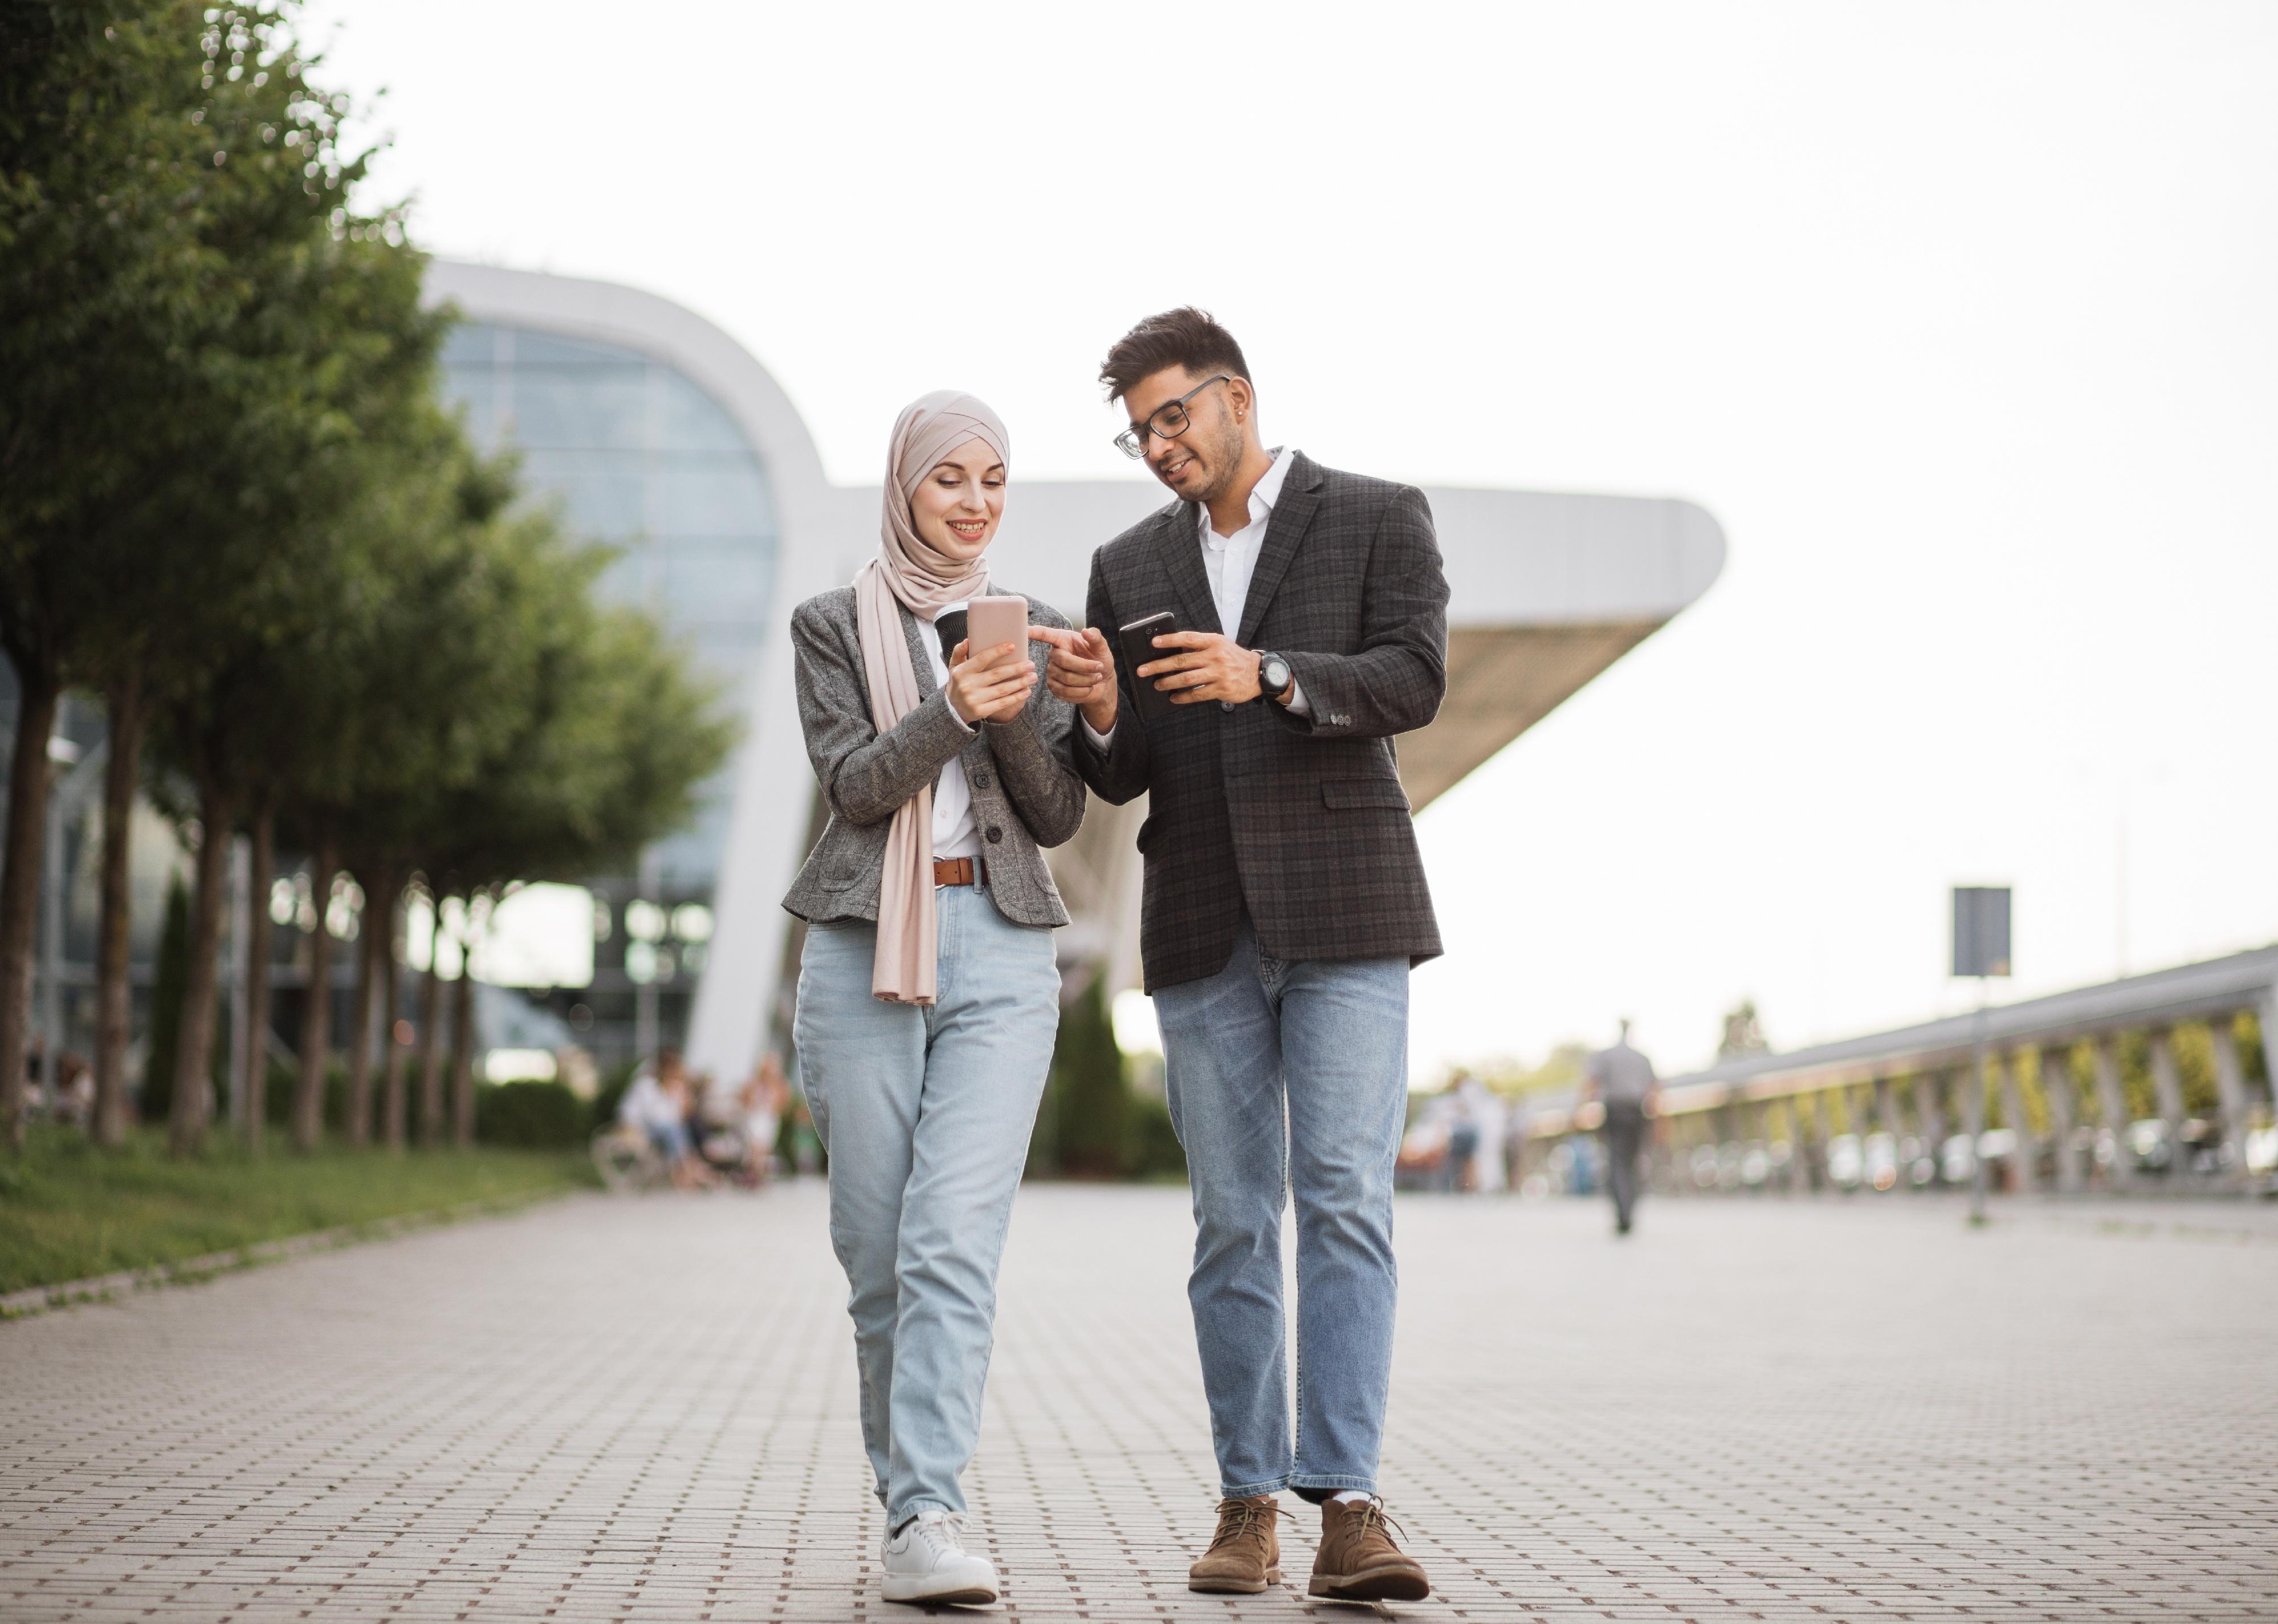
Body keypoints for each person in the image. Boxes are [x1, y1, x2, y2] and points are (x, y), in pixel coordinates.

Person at [1037, 308, 1446, 1603]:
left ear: (1238, 397)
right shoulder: (1128, 561)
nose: (1159, 446)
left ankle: (1353, 1510)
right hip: (1204, 918)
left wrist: (1269, 674)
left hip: (1348, 908)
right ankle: (1246, 1503)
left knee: (1342, 1200)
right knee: (1229, 1223)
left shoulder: (1378, 515)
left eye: (1175, 416)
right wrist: (1103, 706)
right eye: (1138, 430)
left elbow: (1414, 678)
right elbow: (1124, 774)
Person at [783, 390, 1085, 1609]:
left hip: (1004, 949)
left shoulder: (1037, 624)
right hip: (863, 946)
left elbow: (1060, 815)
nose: (972, 503)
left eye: (993, 481)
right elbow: (855, 786)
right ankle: (908, 1495)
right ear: (905, 484)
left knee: (951, 1241)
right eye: (948, 478)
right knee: (877, 1255)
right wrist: (953, 703)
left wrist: (1017, 706)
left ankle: (925, 1515)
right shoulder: (828, 624)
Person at [1581, 1020, 1659, 1234]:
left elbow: (1592, 1084)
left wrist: (1580, 1111)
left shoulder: (1606, 1056)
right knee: (1633, 1162)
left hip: (1615, 1111)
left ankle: (1623, 1211)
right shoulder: (1642, 1058)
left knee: (1617, 1162)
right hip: (1637, 1112)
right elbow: (1654, 1091)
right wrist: (1658, 1122)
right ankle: (1629, 1209)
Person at [617, 1050, 710, 1190]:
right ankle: (686, 1171)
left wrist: (682, 1096)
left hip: (663, 1130)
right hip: (640, 1128)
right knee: (671, 1129)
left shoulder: (669, 1089)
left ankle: (687, 1169)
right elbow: (639, 1114)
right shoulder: (645, 1086)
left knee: (677, 1129)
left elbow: (677, 1116)